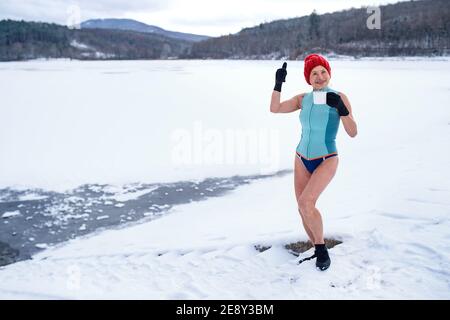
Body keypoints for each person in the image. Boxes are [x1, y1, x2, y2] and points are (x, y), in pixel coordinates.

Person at [269, 54, 357, 271]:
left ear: (329, 73)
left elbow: (353, 132)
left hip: (326, 158)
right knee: (302, 208)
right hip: (301, 158)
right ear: (308, 78)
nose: (319, 77)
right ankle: (317, 248)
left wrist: (342, 109)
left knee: (307, 203)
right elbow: (275, 108)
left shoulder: (339, 97)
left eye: (323, 72)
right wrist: (278, 83)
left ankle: (321, 249)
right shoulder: (303, 99)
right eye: (314, 73)